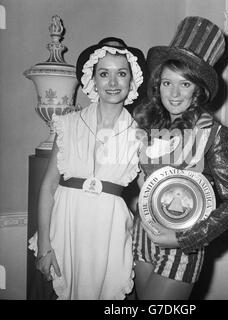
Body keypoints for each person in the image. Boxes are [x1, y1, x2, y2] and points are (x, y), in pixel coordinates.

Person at [132, 16, 228, 300]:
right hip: (141, 236)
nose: (173, 93)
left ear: (198, 90)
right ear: (157, 84)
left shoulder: (212, 132)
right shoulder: (147, 126)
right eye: (167, 83)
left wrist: (185, 238)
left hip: (181, 245)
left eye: (185, 85)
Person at [28, 37, 145, 300]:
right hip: (66, 228)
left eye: (121, 74)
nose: (113, 83)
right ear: (93, 80)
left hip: (109, 234)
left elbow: (149, 193)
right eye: (104, 74)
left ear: (132, 81)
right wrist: (45, 243)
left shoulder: (140, 134)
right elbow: (48, 187)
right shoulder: (67, 125)